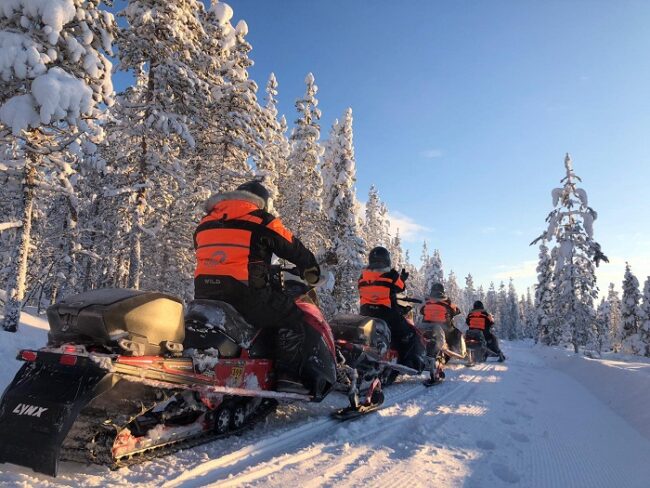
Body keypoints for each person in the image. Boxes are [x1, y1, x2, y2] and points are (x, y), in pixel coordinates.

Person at [193, 180, 323, 395]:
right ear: (261, 202)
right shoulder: (261, 220)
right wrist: (311, 269)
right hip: (245, 296)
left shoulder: (205, 223)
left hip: (205, 295)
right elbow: (293, 247)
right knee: (293, 317)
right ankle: (288, 377)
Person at [358, 247, 426, 371]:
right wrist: (402, 278)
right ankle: (409, 362)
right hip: (387, 314)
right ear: (387, 260)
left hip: (366, 314)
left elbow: (374, 289)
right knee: (410, 333)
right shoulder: (392, 275)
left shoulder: (362, 276)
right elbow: (401, 287)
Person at [420, 283, 463, 361]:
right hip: (444, 327)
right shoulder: (447, 302)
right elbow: (457, 310)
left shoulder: (427, 303)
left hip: (426, 326)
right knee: (456, 333)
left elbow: (421, 311)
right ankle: (456, 352)